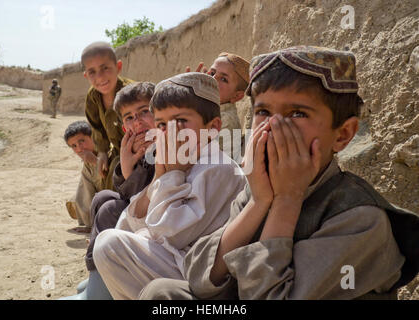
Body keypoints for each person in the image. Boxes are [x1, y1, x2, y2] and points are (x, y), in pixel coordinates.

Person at [138, 46, 419, 300]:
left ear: (343, 134)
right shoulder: (259, 188)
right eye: (263, 112)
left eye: (297, 113)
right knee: (162, 294)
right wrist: (260, 203)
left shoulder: (360, 219)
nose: (274, 126)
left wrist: (287, 200)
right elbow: (198, 278)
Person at [92, 72, 246, 300]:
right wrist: (158, 180)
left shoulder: (219, 169)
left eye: (180, 121)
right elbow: (127, 225)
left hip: (197, 275)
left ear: (213, 128)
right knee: (109, 239)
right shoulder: (175, 159)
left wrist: (171, 176)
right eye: (162, 124)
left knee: (109, 245)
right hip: (172, 261)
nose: (169, 132)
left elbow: (171, 234)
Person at [61, 82, 157, 300]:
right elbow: (124, 191)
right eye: (130, 117)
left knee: (111, 209)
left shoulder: (160, 144)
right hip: (140, 206)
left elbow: (139, 196)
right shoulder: (137, 144)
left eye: (145, 112)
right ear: (124, 126)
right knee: (102, 198)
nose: (138, 121)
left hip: (156, 213)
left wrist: (127, 166)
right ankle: (98, 274)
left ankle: (99, 292)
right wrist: (126, 165)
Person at [82, 41, 134, 191]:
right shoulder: (93, 96)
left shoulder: (131, 93)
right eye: (92, 72)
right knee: (96, 165)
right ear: (86, 75)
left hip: (140, 153)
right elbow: (96, 126)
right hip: (117, 151)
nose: (100, 77)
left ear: (118, 67)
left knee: (115, 167)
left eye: (105, 68)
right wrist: (103, 152)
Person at [187, 53, 250, 161]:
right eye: (212, 73)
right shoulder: (206, 109)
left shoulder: (226, 121)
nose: (213, 79)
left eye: (224, 79)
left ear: (237, 96)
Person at [64, 121, 103, 233]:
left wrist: (96, 162)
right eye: (74, 146)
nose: (79, 149)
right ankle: (90, 222)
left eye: (82, 141)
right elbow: (86, 190)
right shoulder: (87, 162)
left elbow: (111, 180)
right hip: (96, 205)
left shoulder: (107, 153)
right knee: (76, 199)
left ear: (93, 137)